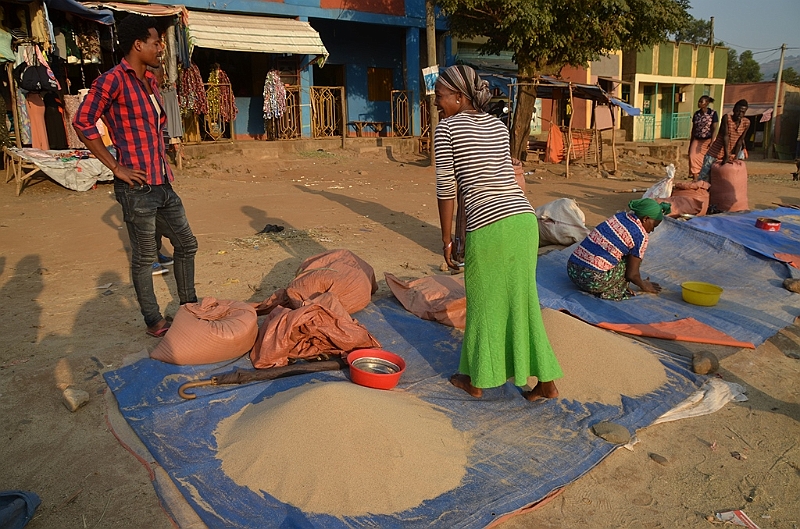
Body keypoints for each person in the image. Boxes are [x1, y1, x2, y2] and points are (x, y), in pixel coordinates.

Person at [434, 65, 563, 402]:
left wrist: (447, 238)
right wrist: (462, 236)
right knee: (523, 303)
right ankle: (545, 382)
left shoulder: (446, 129)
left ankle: (477, 379)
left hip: (490, 226)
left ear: (459, 97)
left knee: (482, 303)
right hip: (522, 221)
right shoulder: (496, 125)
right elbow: (485, 182)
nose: (437, 103)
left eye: (440, 97)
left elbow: (448, 190)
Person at [73, 14, 198, 338]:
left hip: (162, 182)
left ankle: (189, 308)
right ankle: (154, 320)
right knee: (144, 257)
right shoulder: (112, 80)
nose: (160, 48)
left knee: (187, 244)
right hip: (136, 188)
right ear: (138, 44)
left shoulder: (151, 82)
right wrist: (115, 167)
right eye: (156, 42)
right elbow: (83, 122)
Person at [567, 199, 670, 301]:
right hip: (592, 281)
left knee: (621, 251)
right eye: (654, 226)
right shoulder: (641, 235)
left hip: (573, 271)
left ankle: (612, 283)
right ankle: (615, 290)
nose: (652, 230)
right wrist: (644, 285)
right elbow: (632, 274)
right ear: (645, 219)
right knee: (632, 259)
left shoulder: (620, 216)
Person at [697, 99, 750, 182]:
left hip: (728, 155)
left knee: (720, 181)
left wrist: (735, 157)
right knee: (704, 179)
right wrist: (726, 155)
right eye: (738, 111)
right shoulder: (727, 118)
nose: (740, 114)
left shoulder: (746, 123)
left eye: (743, 112)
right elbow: (725, 136)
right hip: (714, 154)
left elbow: (740, 141)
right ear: (733, 110)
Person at [688, 95, 718, 179]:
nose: (699, 103)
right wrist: (691, 142)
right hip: (697, 139)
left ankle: (707, 176)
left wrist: (712, 141)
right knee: (692, 156)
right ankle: (695, 176)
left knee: (708, 159)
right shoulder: (696, 114)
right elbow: (694, 129)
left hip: (708, 139)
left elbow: (714, 128)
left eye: (702, 102)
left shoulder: (713, 113)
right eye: (699, 101)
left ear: (707, 103)